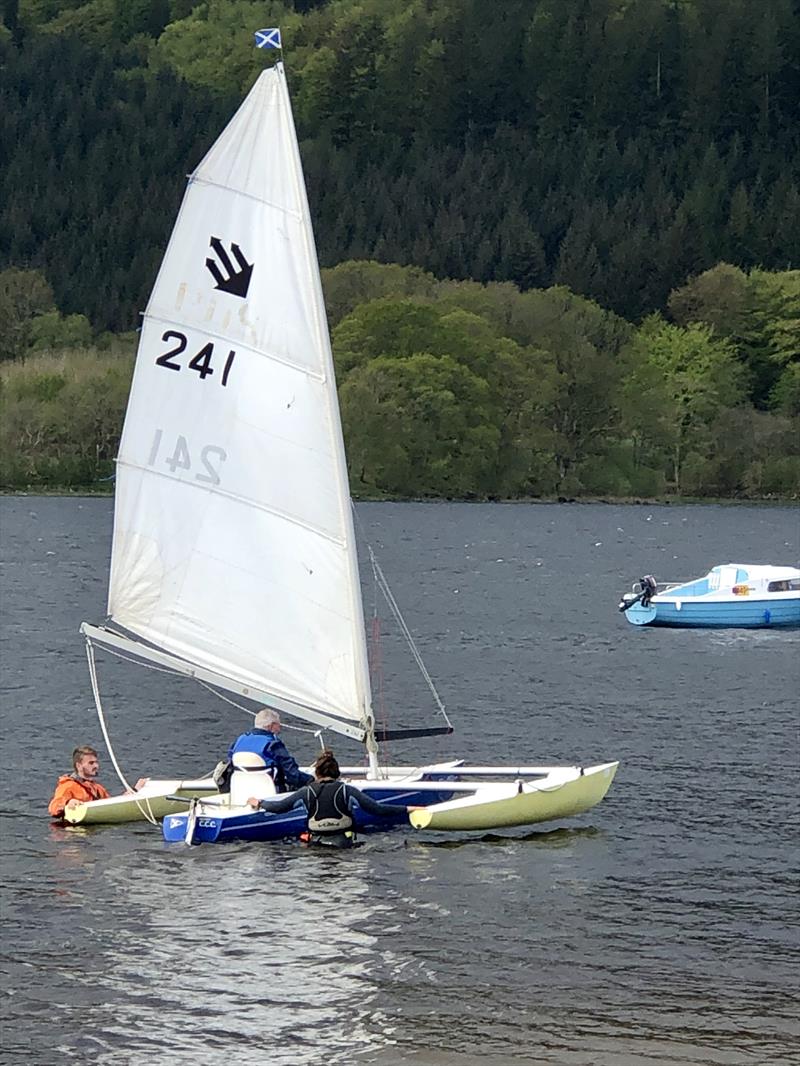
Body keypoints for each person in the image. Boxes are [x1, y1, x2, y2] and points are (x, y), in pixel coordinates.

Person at [247, 748, 423, 848]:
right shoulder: (347, 791)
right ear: (337, 773)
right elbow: (378, 809)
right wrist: (409, 809)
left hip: (316, 844)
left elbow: (280, 807)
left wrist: (260, 802)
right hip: (343, 843)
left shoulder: (307, 791)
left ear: (316, 773)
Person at [48, 746, 147, 819]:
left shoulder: (97, 788)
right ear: (79, 766)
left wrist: (134, 790)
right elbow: (53, 808)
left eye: (96, 762)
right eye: (91, 763)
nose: (96, 766)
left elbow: (111, 805)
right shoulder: (68, 786)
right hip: (73, 835)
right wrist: (67, 803)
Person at [228, 708, 313, 792]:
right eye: (278, 725)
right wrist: (313, 780)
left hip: (241, 792)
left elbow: (230, 765)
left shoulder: (238, 742)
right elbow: (293, 775)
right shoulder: (273, 745)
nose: (279, 729)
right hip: (271, 796)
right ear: (271, 726)